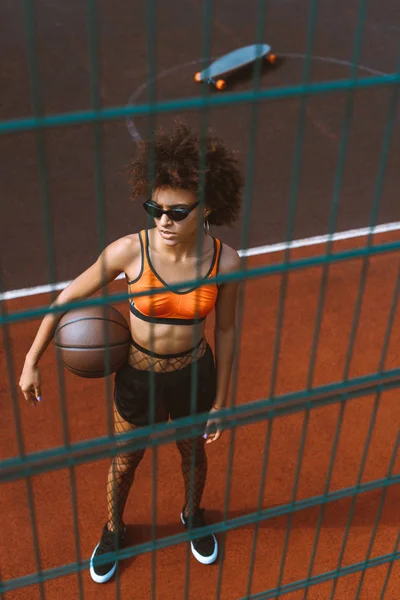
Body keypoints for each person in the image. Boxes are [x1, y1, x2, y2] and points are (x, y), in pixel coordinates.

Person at [19, 121, 243, 583]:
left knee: (192, 455)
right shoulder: (130, 251)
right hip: (138, 376)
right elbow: (66, 300)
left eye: (178, 212)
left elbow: (227, 329)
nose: (163, 221)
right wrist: (30, 360)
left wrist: (221, 399)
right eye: (154, 208)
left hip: (194, 375)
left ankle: (191, 515)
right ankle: (114, 529)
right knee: (124, 462)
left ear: (209, 207)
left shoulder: (227, 262)